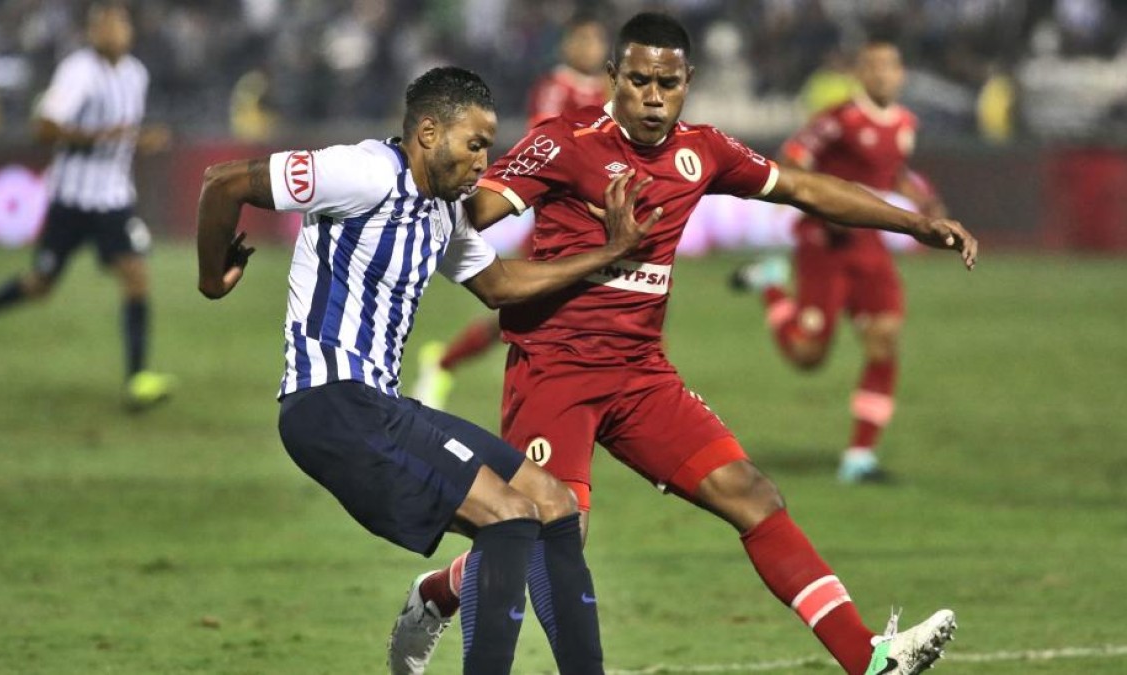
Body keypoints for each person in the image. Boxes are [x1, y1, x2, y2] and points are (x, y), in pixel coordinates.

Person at [390, 13, 976, 675]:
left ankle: (869, 659)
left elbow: (803, 188)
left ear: (688, 81)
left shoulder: (704, 151)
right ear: (613, 77)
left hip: (641, 374)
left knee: (752, 494)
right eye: (638, 80)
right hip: (555, 372)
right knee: (553, 538)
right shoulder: (563, 142)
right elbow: (467, 213)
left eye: (666, 83)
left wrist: (913, 223)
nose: (652, 96)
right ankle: (438, 592)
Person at [195, 66, 662, 675]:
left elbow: (498, 285)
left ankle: (492, 625)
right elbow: (224, 181)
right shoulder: (361, 173)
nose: (483, 162)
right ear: (429, 133)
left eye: (488, 148)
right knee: (509, 517)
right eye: (475, 144)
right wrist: (212, 278)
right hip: (329, 402)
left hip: (378, 404)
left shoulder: (443, 211)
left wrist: (610, 253)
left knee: (553, 503)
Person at [730, 41, 948, 483]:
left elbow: (893, 174)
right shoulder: (838, 120)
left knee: (884, 338)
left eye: (890, 66)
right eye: (874, 67)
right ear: (860, 75)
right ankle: (771, 282)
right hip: (822, 243)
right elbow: (794, 158)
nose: (882, 74)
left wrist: (926, 203)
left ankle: (859, 458)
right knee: (807, 355)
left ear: (901, 75)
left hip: (868, 243)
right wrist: (820, 205)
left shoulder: (905, 124)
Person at [0, 2, 174, 410]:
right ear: (92, 31)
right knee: (41, 284)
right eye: (102, 24)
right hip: (70, 199)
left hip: (112, 199)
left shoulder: (135, 75)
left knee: (136, 275)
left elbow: (124, 134)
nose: (110, 31)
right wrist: (108, 135)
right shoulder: (78, 71)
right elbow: (44, 128)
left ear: (128, 30)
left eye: (117, 23)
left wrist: (138, 139)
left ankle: (138, 379)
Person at [411, 12, 609, 410]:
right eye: (583, 40)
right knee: (519, 307)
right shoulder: (555, 88)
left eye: (596, 40)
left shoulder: (612, 90)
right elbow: (548, 148)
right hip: (559, 222)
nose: (590, 49)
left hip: (601, 222)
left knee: (625, 305)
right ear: (568, 44)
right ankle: (444, 363)